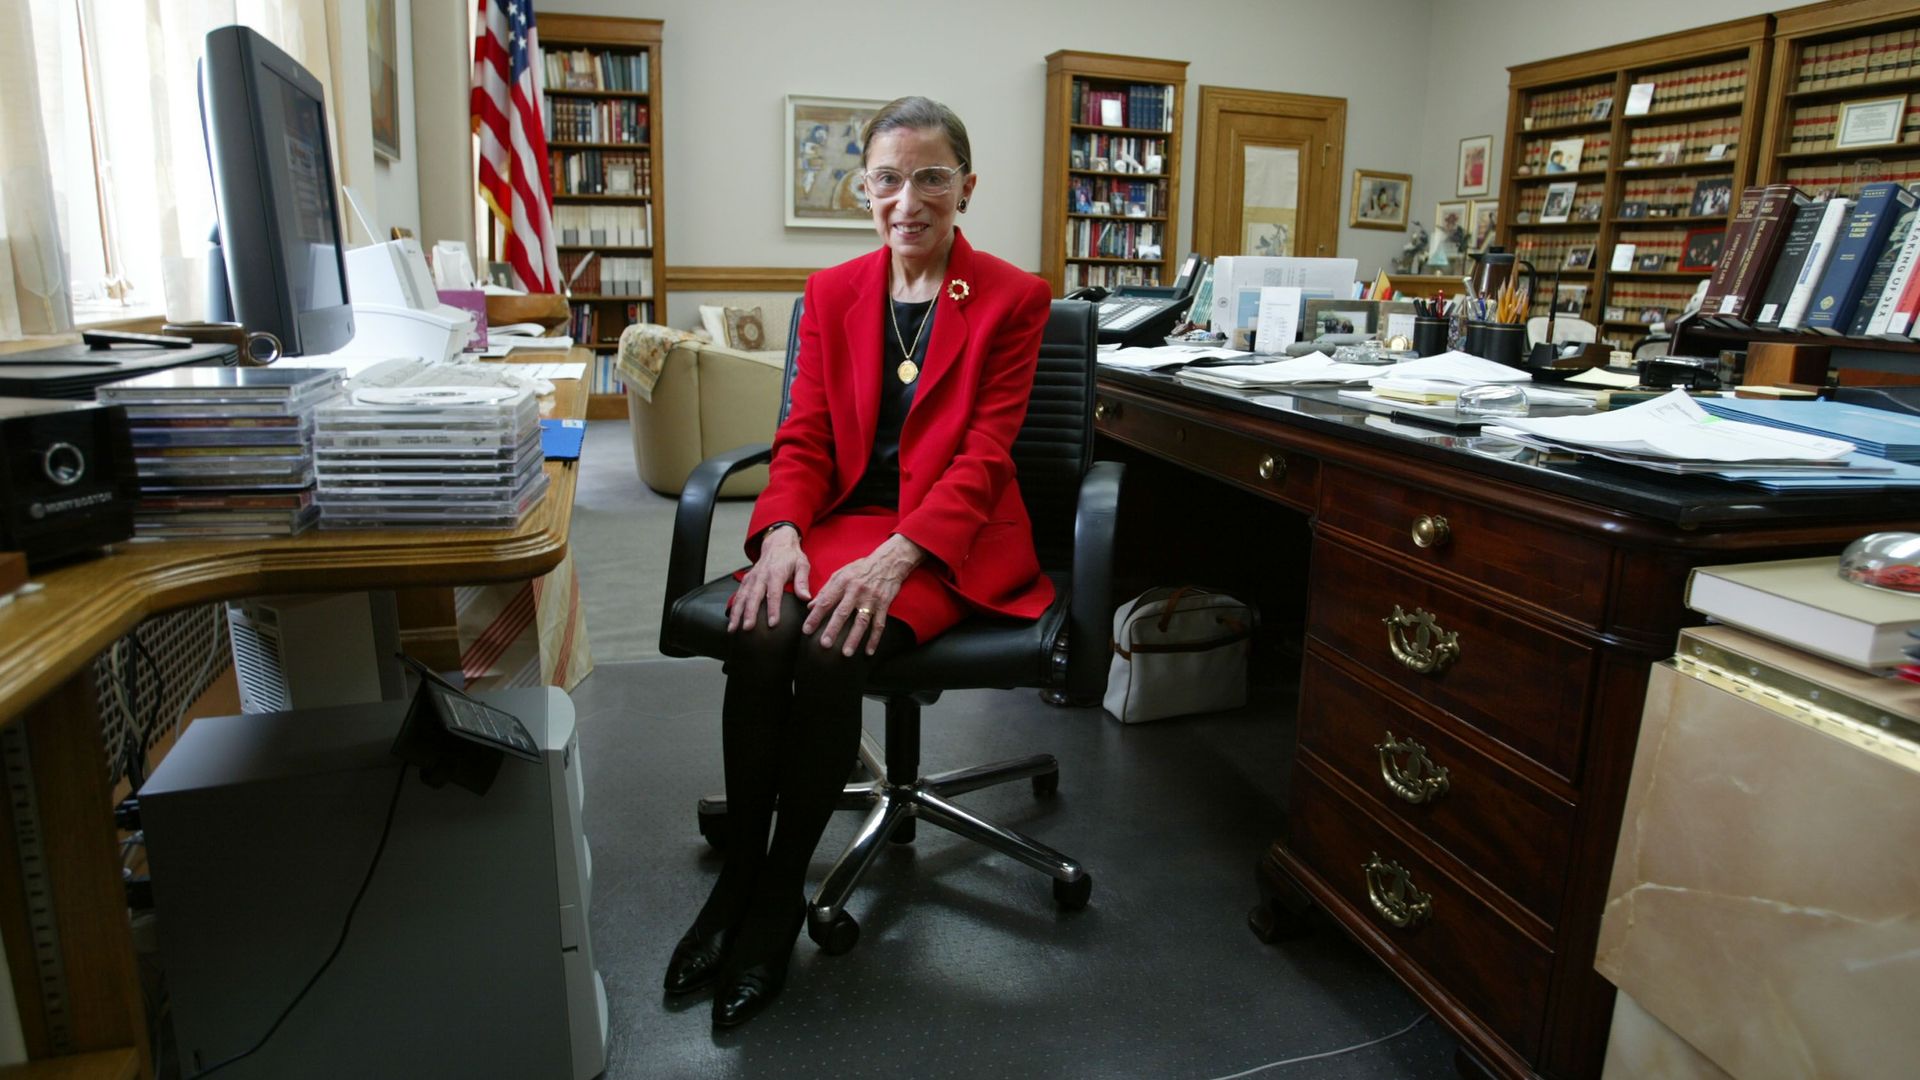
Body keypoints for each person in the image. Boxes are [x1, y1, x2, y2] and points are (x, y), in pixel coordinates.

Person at [662, 96, 1055, 1031]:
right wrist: (784, 533)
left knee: (833, 650)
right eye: (887, 178)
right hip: (839, 521)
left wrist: (900, 553)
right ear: (863, 188)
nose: (907, 199)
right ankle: (741, 880)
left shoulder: (1012, 297)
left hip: (946, 536)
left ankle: (777, 903)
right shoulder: (834, 293)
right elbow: (798, 439)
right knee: (761, 634)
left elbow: (986, 455)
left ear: (967, 186)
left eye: (930, 177)